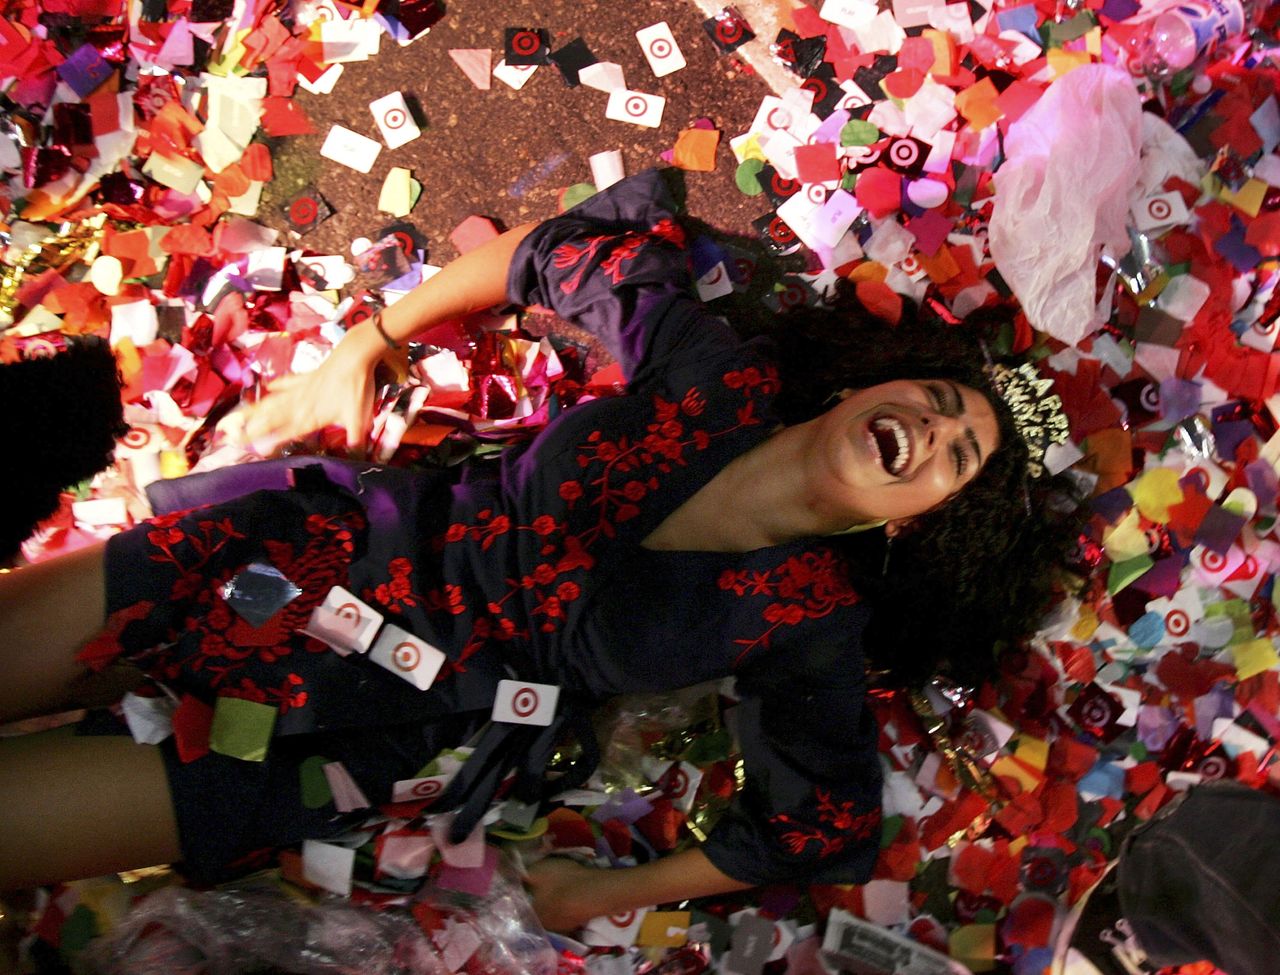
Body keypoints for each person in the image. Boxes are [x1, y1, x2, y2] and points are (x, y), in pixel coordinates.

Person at [0, 169, 1079, 932]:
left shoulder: (808, 619)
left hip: (348, 739)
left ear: (915, 520)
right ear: (865, 386)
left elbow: (815, 823)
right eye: (938, 404)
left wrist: (590, 896)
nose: (935, 431)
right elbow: (557, 254)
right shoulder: (716, 379)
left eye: (957, 458)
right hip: (291, 560)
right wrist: (360, 348)